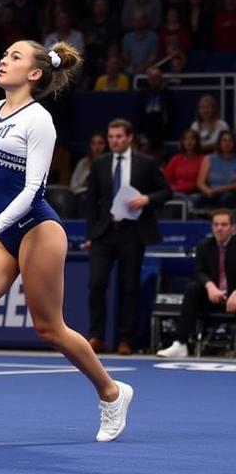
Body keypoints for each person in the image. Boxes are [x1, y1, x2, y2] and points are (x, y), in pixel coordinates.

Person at [0, 41, 135, 445]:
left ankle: (112, 392)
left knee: (49, 328)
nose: (3, 60)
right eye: (3, 54)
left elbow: (33, 189)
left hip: (38, 228)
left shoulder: (39, 120)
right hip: (2, 231)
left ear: (35, 74)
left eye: (15, 57)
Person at [86, 117, 171, 355]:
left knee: (129, 286)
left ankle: (125, 339)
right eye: (111, 137)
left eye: (119, 137)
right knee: (96, 283)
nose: (114, 141)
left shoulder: (146, 163)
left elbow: (166, 192)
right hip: (104, 232)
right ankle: (96, 336)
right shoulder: (100, 163)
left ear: (129, 137)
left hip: (133, 232)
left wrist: (147, 199)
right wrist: (91, 233)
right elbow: (91, 201)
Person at [157, 209, 236, 358]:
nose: (219, 228)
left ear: (233, 227)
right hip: (212, 297)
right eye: (216, 224)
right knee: (192, 288)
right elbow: (198, 271)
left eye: (224, 224)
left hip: (234, 298)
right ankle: (181, 344)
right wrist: (210, 286)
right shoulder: (204, 246)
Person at [195, 128, 236, 209]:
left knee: (226, 199)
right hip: (211, 192)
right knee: (201, 200)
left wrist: (219, 189)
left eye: (230, 141)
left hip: (231, 193)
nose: (227, 143)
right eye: (224, 140)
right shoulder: (209, 159)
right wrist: (207, 190)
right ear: (219, 143)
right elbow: (200, 183)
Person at [163, 128, 203, 201]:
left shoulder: (203, 159)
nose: (189, 142)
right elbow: (167, 178)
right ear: (182, 142)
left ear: (197, 142)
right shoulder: (176, 159)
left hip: (194, 193)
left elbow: (198, 183)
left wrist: (178, 188)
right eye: (186, 139)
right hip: (176, 193)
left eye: (192, 139)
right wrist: (172, 188)